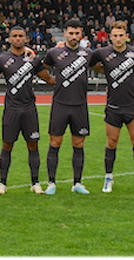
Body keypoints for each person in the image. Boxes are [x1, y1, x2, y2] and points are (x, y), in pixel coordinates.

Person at [0, 26, 54, 195]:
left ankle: (35, 183)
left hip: (29, 109)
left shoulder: (33, 59)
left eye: (21, 36)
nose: (18, 38)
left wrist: (70, 80)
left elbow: (48, 78)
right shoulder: (2, 59)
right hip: (11, 109)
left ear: (26, 38)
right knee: (7, 145)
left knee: (33, 145)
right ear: (10, 39)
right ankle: (2, 183)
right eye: (15, 36)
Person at [88, 20, 134, 193]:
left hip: (132, 106)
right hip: (113, 106)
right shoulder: (102, 53)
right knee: (111, 142)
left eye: (121, 35)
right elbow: (89, 61)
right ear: (110, 37)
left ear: (126, 36)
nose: (118, 38)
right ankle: (108, 178)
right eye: (115, 36)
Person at [41, 18, 93, 195]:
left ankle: (77, 183)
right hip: (60, 104)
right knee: (55, 142)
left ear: (81, 35)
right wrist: (49, 80)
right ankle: (51, 183)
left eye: (77, 33)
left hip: (80, 105)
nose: (73, 36)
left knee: (78, 143)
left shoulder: (88, 53)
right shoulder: (55, 52)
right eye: (71, 33)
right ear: (65, 33)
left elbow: (102, 66)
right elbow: (41, 67)